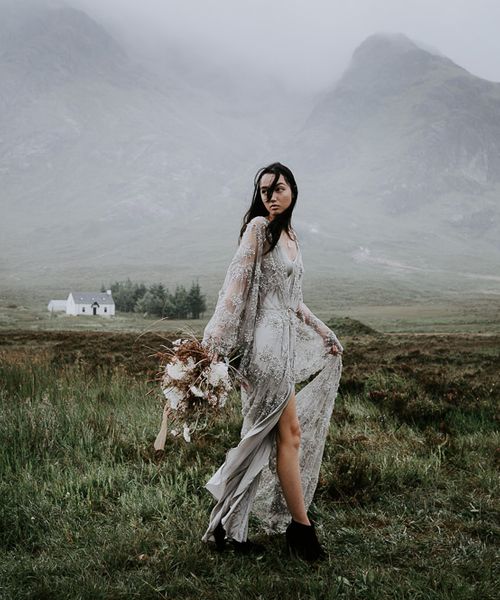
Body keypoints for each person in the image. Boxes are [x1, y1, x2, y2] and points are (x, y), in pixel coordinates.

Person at [200, 162, 343, 561]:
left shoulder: (292, 237)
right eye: (264, 191)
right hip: (265, 349)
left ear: (293, 189)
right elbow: (236, 287)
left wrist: (323, 331)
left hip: (286, 345)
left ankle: (229, 530)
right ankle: (301, 530)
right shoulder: (258, 229)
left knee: (273, 438)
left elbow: (293, 300)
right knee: (287, 435)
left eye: (278, 188)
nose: (271, 196)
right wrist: (210, 346)